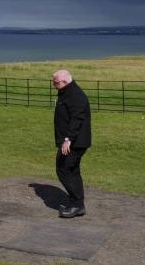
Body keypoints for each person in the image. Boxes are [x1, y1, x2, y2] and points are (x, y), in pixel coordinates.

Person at [52, 70, 92, 218]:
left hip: (75, 142)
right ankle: (77, 204)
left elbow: (77, 119)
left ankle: (77, 204)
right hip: (73, 141)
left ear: (64, 81)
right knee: (72, 171)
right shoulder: (67, 92)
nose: (54, 85)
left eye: (55, 83)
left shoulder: (75, 95)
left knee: (64, 169)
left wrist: (68, 139)